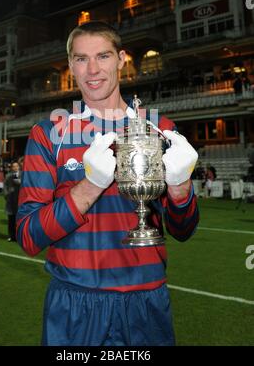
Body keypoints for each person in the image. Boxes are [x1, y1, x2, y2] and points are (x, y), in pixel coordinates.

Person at [16, 21, 199, 346]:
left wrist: (180, 187)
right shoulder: (49, 134)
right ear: (71, 65)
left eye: (102, 56)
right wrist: (89, 186)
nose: (92, 69)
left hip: (146, 300)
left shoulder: (161, 129)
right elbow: (28, 236)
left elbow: (183, 231)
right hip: (75, 302)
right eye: (81, 59)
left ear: (121, 58)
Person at [4, 161, 21, 242]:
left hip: (20, 200)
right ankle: (11, 235)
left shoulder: (23, 175)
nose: (15, 168)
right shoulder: (8, 175)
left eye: (16, 166)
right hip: (10, 200)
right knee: (11, 219)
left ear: (19, 167)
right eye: (13, 166)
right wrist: (6, 195)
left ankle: (19, 236)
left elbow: (20, 183)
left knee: (19, 219)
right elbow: (5, 186)